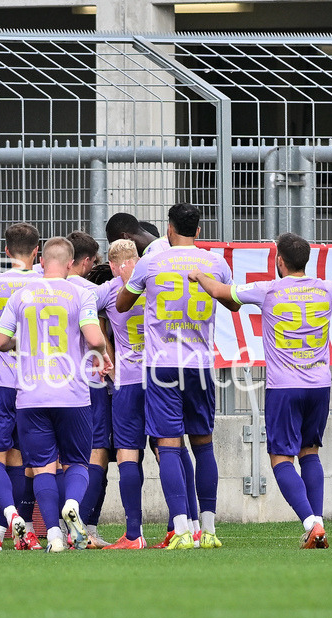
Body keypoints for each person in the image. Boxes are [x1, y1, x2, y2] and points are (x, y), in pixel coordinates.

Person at [190, 232, 332, 549]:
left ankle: (311, 524)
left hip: (285, 387)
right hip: (319, 385)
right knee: (310, 453)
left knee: (281, 458)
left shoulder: (269, 290)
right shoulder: (326, 288)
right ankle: (319, 524)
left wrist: (198, 274)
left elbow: (218, 291)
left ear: (279, 261)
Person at [116, 203, 237, 550]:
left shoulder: (151, 262)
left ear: (169, 229)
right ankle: (208, 531)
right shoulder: (215, 262)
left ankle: (182, 530)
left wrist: (134, 284)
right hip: (199, 364)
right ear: (198, 231)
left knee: (168, 446)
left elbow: (123, 305)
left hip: (162, 364)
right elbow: (233, 303)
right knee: (203, 445)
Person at [0, 237, 109, 552]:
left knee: (43, 466)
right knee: (77, 464)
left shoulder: (21, 295)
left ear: (41, 262)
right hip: (72, 396)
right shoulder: (79, 293)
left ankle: (54, 536)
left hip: (31, 396)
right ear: (70, 265)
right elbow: (94, 336)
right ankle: (72, 503)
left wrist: (25, 347)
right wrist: (101, 354)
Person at [0, 222, 42, 551]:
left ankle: (10, 517)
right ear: (36, 252)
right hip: (34, 384)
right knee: (19, 459)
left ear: (5, 251)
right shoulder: (46, 284)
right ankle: (5, 532)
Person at [94, 239, 148, 549]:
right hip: (162, 376)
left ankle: (133, 533)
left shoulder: (111, 289)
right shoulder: (155, 281)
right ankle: (185, 527)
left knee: (128, 453)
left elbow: (84, 313)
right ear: (137, 258)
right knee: (171, 449)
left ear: (113, 265)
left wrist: (105, 354)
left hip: (127, 380)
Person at [66, 231, 113, 549]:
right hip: (90, 381)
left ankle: (47, 528)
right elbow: (96, 335)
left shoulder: (37, 288)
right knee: (97, 452)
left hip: (47, 382)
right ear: (85, 261)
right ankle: (87, 529)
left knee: (51, 459)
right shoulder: (88, 292)